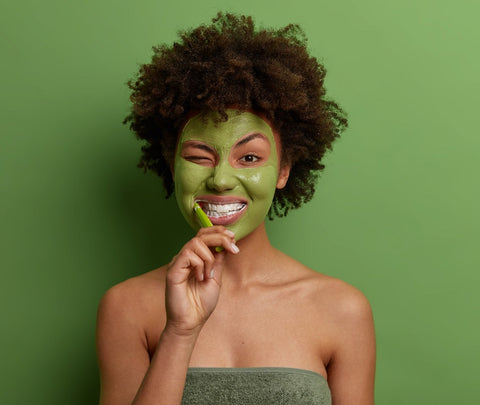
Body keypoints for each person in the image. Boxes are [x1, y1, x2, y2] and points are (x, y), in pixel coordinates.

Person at [96, 13, 376, 405]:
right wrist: (180, 331)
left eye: (249, 157)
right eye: (199, 155)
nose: (222, 180)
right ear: (172, 165)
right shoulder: (125, 307)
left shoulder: (342, 309)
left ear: (283, 170)